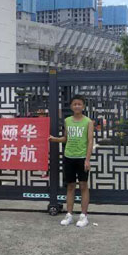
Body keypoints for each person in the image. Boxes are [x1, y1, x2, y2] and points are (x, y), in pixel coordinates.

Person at [49, 94, 94, 227]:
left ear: (83, 106)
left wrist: (87, 159)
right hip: (69, 157)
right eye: (75, 104)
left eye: (79, 104)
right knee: (70, 186)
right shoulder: (68, 120)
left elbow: (90, 141)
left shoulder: (88, 122)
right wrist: (55, 139)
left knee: (84, 186)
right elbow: (65, 138)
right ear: (71, 106)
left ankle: (84, 215)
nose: (77, 106)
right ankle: (69, 214)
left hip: (82, 158)